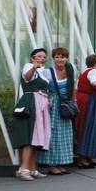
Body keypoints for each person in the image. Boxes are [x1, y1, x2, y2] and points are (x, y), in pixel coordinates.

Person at [13, 48, 52, 181]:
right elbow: (27, 78)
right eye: (39, 56)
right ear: (32, 58)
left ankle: (32, 168)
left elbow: (45, 88)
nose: (41, 58)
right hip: (31, 102)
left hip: (41, 103)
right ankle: (23, 169)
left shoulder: (43, 71)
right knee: (30, 136)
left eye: (44, 57)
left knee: (36, 137)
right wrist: (34, 67)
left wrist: (48, 98)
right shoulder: (29, 67)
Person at [38, 47, 76, 175]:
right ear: (53, 58)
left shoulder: (70, 69)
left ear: (67, 58)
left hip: (66, 104)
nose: (60, 59)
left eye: (63, 57)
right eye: (57, 57)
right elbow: (41, 88)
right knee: (52, 135)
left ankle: (61, 162)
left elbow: (73, 88)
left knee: (65, 135)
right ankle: (51, 164)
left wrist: (73, 103)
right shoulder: (47, 72)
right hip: (53, 105)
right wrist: (47, 99)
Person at [75, 54, 96, 168]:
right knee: (89, 127)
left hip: (83, 100)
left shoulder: (84, 72)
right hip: (90, 101)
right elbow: (95, 83)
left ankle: (87, 157)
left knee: (84, 126)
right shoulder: (93, 72)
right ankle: (83, 158)